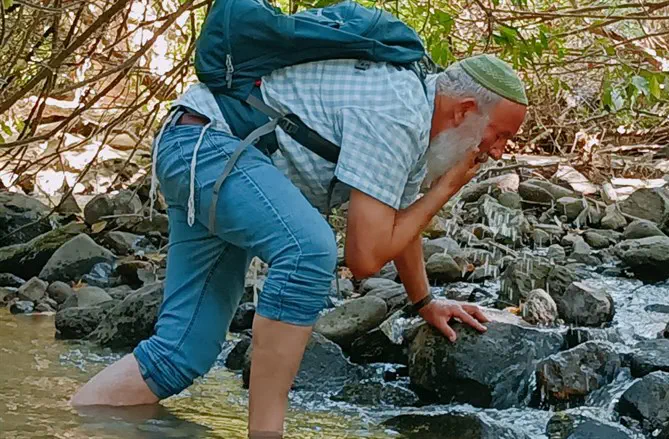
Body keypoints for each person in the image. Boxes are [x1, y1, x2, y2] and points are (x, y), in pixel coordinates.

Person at [70, 53, 528, 438]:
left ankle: (62, 423)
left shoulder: (415, 124)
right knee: (309, 251)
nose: (500, 150)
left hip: (200, 150)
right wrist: (445, 188)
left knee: (179, 355)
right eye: (501, 134)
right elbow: (365, 258)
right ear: (465, 110)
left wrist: (425, 301)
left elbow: (396, 223)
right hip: (209, 148)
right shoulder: (399, 113)